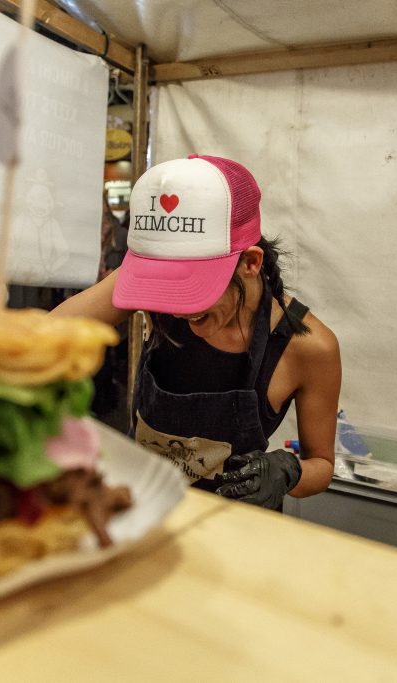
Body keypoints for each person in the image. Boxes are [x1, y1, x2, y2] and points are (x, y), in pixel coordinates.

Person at [53, 155, 342, 510]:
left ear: (251, 263)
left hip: (233, 528)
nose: (174, 307)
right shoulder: (159, 300)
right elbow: (48, 334)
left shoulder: (310, 347)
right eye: (163, 284)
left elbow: (322, 467)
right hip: (142, 507)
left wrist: (288, 471)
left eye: (191, 286)